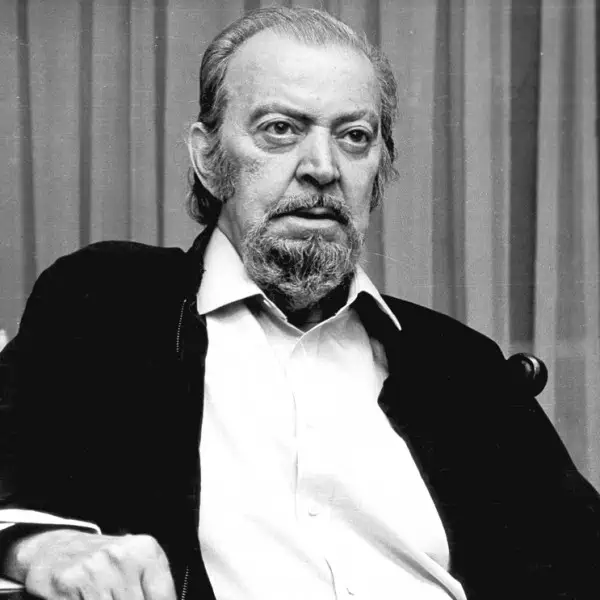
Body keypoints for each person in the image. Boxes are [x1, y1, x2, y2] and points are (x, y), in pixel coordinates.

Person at [0, 6, 599, 600]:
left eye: (354, 137)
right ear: (208, 158)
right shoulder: (109, 303)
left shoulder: (458, 362)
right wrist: (39, 545)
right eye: (280, 129)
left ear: (379, 168)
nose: (322, 167)